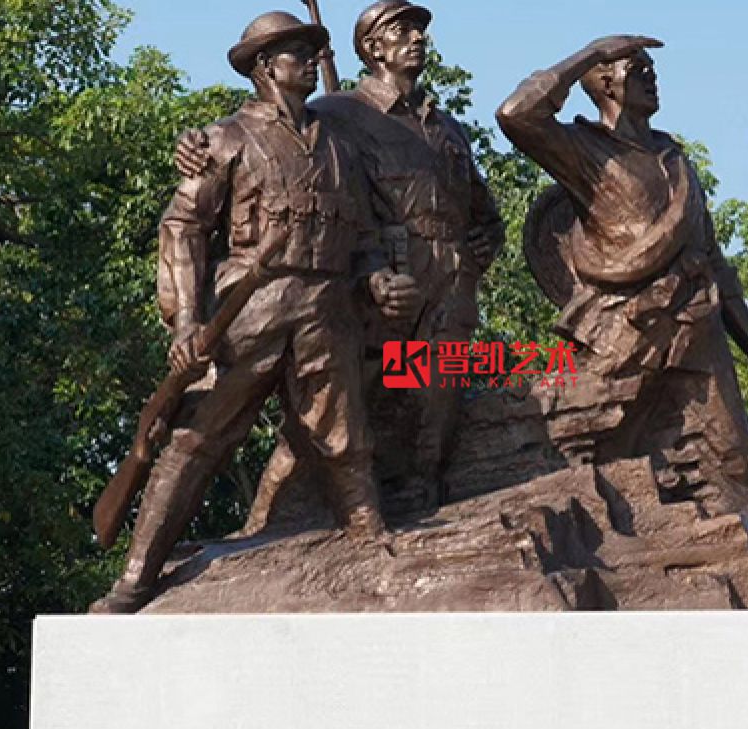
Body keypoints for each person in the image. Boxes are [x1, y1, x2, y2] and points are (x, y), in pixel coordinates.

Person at [497, 35, 748, 607]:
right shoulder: (584, 149)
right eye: (638, 67)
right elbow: (515, 113)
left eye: (651, 68)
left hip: (696, 328)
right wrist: (592, 51)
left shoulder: (676, 160)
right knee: (598, 456)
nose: (651, 76)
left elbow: (715, 262)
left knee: (738, 462)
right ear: (604, 82)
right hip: (623, 335)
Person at [92, 11, 390, 613]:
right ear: (265, 67)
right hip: (247, 311)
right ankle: (137, 575)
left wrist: (376, 274)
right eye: (296, 53)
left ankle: (372, 538)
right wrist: (185, 321)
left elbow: (364, 234)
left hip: (325, 309)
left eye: (312, 52)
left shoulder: (339, 145)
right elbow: (183, 227)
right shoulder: (224, 139)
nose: (311, 62)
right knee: (195, 440)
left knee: (346, 436)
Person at [176, 1, 504, 512]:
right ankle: (271, 517)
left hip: (449, 285)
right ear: (373, 48)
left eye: (419, 30)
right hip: (378, 286)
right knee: (337, 412)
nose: (418, 38)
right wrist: (194, 144)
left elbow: (482, 210)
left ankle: (423, 505)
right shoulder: (339, 113)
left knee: (437, 402)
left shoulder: (447, 128)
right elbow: (271, 131)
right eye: (402, 30)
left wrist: (488, 239)